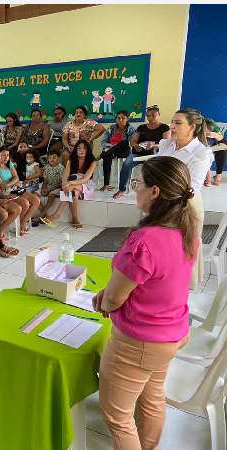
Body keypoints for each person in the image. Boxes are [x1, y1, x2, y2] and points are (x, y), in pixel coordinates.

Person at [93, 157, 197, 450]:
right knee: (152, 399)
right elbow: (157, 282)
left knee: (117, 416)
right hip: (172, 333)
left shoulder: (144, 240)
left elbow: (114, 298)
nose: (134, 189)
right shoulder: (186, 229)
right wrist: (112, 293)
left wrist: (108, 300)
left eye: (137, 183)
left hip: (139, 343)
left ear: (155, 192)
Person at [155, 108, 213, 291]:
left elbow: (191, 190)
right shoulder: (165, 144)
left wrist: (158, 187)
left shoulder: (200, 153)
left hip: (185, 207)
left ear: (192, 128)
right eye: (172, 122)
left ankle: (178, 292)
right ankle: (159, 284)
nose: (171, 126)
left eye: (178, 123)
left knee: (181, 251)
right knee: (159, 249)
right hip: (160, 203)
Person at [113, 105, 171, 199]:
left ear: (159, 115)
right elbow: (133, 142)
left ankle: (152, 191)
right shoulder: (141, 128)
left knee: (152, 168)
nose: (150, 118)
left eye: (153, 115)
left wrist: (153, 146)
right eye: (148, 116)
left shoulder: (164, 128)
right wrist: (136, 146)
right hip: (139, 153)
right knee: (127, 163)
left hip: (155, 155)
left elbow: (166, 144)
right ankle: (121, 189)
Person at [43, 139, 97, 229]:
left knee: (71, 188)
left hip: (86, 186)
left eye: (84, 148)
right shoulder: (71, 160)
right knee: (74, 193)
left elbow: (85, 179)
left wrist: (69, 183)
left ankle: (56, 214)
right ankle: (75, 219)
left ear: (88, 150)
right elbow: (65, 176)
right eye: (79, 148)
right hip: (73, 186)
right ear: (76, 150)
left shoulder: (92, 161)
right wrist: (65, 184)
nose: (81, 150)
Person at [0, 147, 40, 234]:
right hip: (5, 192)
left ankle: (22, 222)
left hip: (14, 189)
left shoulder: (10, 164)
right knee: (25, 203)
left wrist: (9, 184)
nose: (6, 158)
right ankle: (20, 225)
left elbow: (16, 178)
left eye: (8, 155)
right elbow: (0, 185)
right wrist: (11, 183)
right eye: (3, 155)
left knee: (36, 200)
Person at [99, 110, 136, 191]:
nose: (121, 120)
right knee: (107, 156)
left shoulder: (130, 129)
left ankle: (103, 155)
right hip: (110, 150)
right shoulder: (110, 128)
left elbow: (131, 143)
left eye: (123, 118)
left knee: (124, 142)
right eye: (118, 118)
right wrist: (112, 146)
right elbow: (103, 142)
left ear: (127, 119)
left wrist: (117, 146)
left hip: (124, 151)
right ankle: (106, 184)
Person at [39, 148, 65, 218]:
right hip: (48, 186)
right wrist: (44, 190)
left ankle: (41, 215)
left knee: (52, 196)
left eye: (54, 157)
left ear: (58, 158)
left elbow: (60, 184)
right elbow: (45, 182)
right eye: (50, 158)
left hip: (56, 187)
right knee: (35, 195)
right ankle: (44, 215)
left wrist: (49, 190)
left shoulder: (61, 168)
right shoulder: (46, 167)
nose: (51, 159)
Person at [203, 118, 226, 186]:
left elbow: (220, 138)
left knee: (222, 149)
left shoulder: (210, 123)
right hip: (201, 149)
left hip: (210, 150)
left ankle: (216, 176)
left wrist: (215, 136)